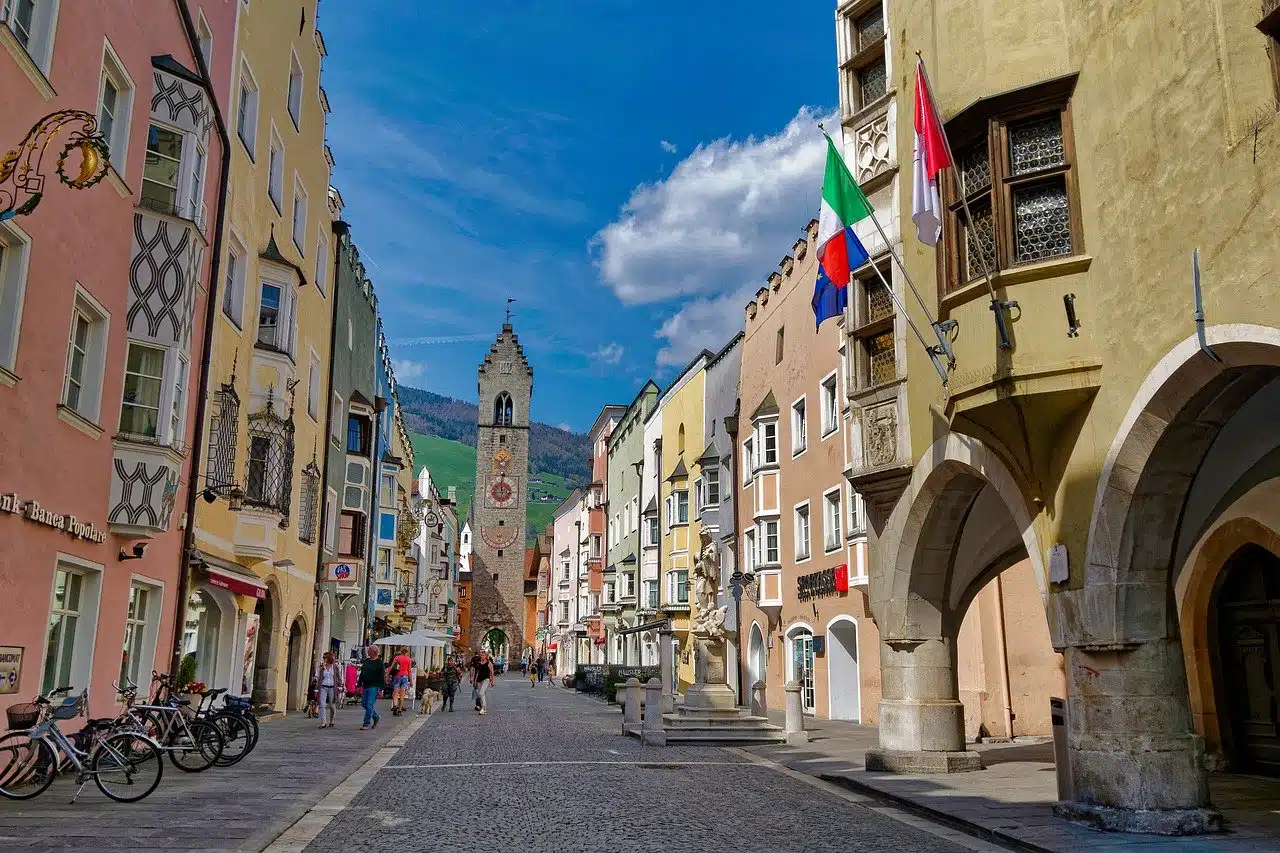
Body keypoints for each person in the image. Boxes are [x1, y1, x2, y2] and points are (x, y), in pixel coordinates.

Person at [356, 646, 387, 730]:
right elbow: (362, 673)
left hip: (374, 686)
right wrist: (359, 684)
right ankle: (376, 716)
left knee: (370, 704)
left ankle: (366, 723)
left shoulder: (380, 663)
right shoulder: (366, 661)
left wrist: (381, 689)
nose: (368, 652)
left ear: (374, 652)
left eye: (369, 651)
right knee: (364, 703)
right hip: (366, 685)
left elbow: (382, 676)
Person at [315, 651, 343, 728]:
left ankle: (332, 720)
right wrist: (317, 688)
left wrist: (340, 686)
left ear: (329, 659)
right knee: (322, 705)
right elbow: (319, 678)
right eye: (323, 658)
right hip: (323, 687)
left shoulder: (335, 667)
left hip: (332, 688)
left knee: (331, 705)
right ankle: (323, 722)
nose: (323, 659)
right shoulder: (322, 667)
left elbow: (339, 677)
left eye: (325, 658)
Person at [390, 646, 413, 717]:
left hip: (397, 676)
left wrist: (388, 675)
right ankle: (399, 711)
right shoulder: (409, 659)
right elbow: (409, 670)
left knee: (395, 693)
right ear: (407, 652)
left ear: (401, 651)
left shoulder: (397, 658)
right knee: (402, 694)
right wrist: (411, 681)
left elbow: (391, 667)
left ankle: (395, 705)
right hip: (405, 677)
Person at [470, 649, 495, 714]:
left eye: (483, 655)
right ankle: (484, 709)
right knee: (481, 694)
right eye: (481, 655)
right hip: (479, 680)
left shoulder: (489, 663)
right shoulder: (479, 663)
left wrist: (492, 681)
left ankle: (483, 708)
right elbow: (477, 672)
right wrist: (475, 680)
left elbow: (492, 673)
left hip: (486, 679)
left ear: (486, 656)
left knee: (481, 693)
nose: (482, 656)